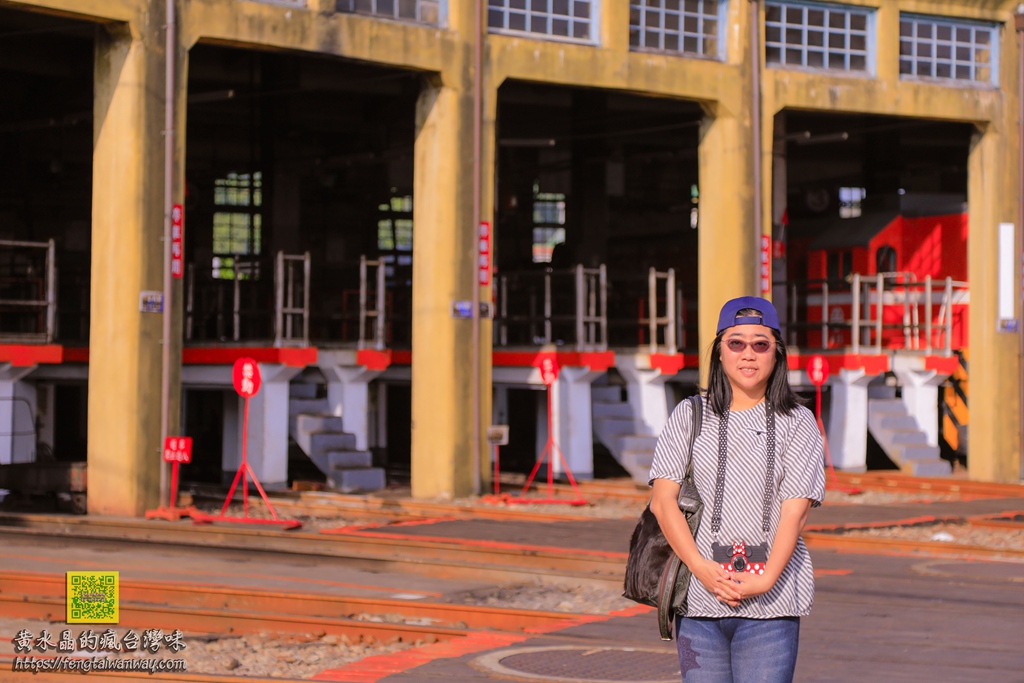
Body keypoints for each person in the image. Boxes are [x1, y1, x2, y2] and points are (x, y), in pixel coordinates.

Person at [648, 296, 825, 683]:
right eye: (736, 342)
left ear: (776, 354)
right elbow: (663, 503)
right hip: (699, 599)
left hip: (773, 602)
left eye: (760, 344)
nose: (749, 354)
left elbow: (795, 511)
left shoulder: (798, 421)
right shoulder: (690, 414)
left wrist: (765, 580)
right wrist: (701, 569)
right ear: (720, 352)